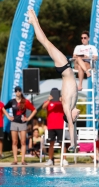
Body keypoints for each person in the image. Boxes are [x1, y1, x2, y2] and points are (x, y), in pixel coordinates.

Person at [28, 9, 80, 151]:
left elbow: (70, 125)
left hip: (63, 67)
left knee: (45, 41)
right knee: (46, 42)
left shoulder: (67, 107)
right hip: (66, 66)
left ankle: (33, 21)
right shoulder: (74, 103)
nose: (77, 115)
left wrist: (73, 144)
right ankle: (34, 21)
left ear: (70, 116)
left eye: (75, 117)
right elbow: (74, 124)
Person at [4, 86, 37, 165]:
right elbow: (3, 108)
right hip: (14, 123)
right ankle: (15, 160)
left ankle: (22, 160)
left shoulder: (25, 101)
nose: (18, 92)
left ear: (21, 92)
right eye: (16, 91)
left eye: (19, 91)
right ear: (15, 92)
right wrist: (8, 116)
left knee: (23, 142)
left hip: (22, 123)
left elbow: (34, 110)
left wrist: (28, 118)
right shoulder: (12, 101)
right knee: (14, 142)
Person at [42, 88, 69, 166]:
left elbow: (67, 108)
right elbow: (43, 107)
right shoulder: (48, 102)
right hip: (51, 126)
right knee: (51, 143)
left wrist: (62, 100)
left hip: (60, 126)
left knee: (62, 143)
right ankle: (50, 159)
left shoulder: (61, 102)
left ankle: (64, 159)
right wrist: (49, 100)